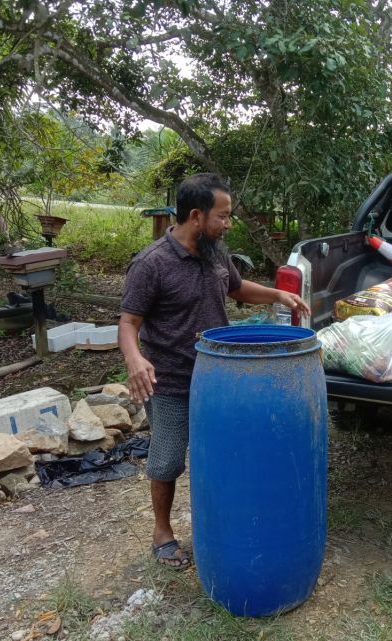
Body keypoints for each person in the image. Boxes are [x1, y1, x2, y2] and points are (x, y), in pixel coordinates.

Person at [119, 172, 309, 568]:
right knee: (168, 458)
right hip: (170, 379)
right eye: (222, 216)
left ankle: (226, 521)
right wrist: (136, 360)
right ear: (196, 215)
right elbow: (128, 322)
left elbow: (237, 289)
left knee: (225, 452)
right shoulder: (151, 264)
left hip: (220, 378)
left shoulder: (215, 252)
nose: (228, 223)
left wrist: (278, 294)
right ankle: (162, 533)